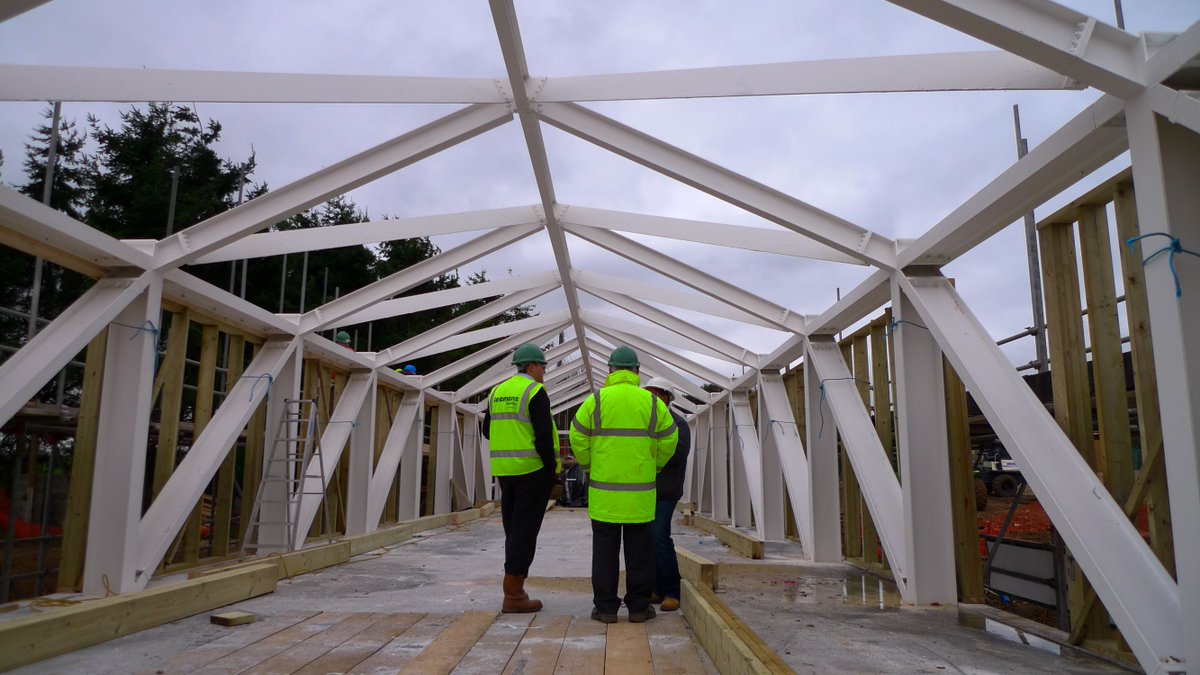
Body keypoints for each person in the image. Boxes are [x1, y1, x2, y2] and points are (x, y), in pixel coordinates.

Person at [570, 346, 677, 624]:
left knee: (604, 554)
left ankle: (605, 609)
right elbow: (669, 439)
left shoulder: (596, 401)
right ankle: (639, 608)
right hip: (640, 497)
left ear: (609, 370)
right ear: (637, 372)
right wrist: (654, 467)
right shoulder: (652, 402)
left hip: (604, 496)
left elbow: (578, 437)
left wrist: (590, 467)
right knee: (640, 555)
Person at [482, 343, 556, 613]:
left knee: (513, 530)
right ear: (532, 366)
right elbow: (544, 437)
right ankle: (513, 594)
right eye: (543, 366)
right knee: (525, 532)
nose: (544, 371)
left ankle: (514, 587)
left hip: (504, 471)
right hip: (531, 470)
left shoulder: (497, 391)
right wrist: (552, 470)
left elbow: (487, 430)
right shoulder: (534, 391)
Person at [644, 377, 690, 613]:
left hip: (666, 491)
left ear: (666, 397)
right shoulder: (646, 422)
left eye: (655, 394)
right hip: (645, 490)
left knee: (660, 537)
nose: (651, 399)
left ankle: (673, 591)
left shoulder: (678, 424)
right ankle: (657, 589)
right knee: (649, 540)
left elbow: (676, 455)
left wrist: (649, 450)